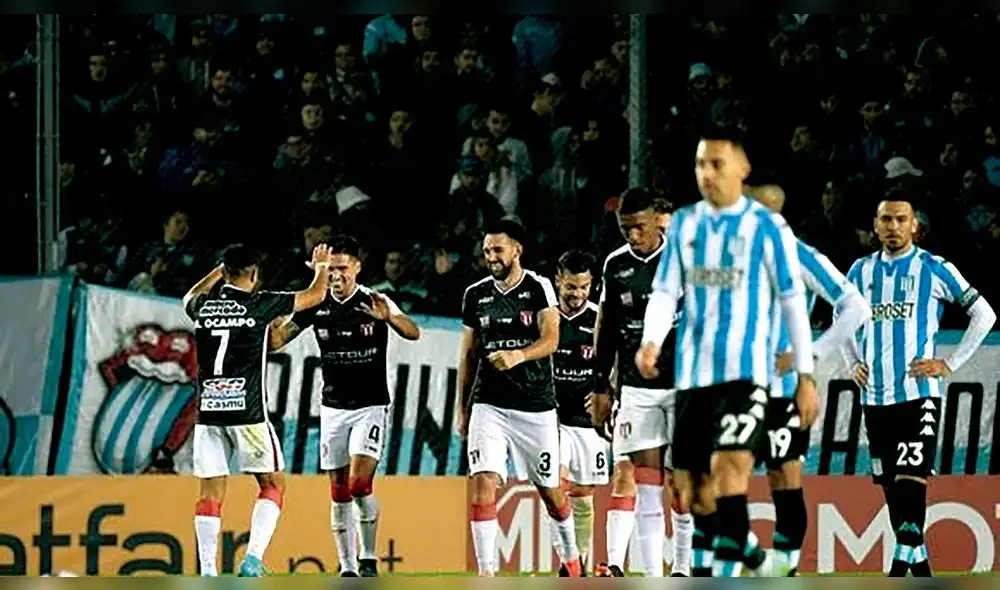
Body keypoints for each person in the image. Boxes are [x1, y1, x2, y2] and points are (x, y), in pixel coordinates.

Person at [636, 127, 819, 578]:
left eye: (717, 164)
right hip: (694, 377)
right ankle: (755, 557)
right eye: (700, 164)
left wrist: (806, 376)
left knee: (729, 472)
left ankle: (726, 578)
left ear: (743, 169)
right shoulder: (684, 224)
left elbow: (794, 300)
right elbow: (664, 291)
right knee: (693, 492)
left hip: (746, 375)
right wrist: (651, 340)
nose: (707, 174)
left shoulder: (767, 227)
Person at [844, 187, 995, 577]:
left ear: (915, 225)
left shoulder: (934, 268)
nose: (893, 226)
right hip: (875, 396)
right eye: (885, 219)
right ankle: (922, 570)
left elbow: (985, 314)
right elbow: (840, 319)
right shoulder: (860, 271)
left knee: (911, 480)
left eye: (900, 219)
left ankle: (896, 572)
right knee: (893, 487)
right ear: (875, 226)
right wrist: (851, 362)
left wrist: (950, 363)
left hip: (918, 393)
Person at [269, 234, 421, 577]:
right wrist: (269, 321)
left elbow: (414, 332)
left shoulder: (375, 300)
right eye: (330, 269)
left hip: (370, 406)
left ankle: (368, 557)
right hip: (334, 408)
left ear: (357, 266)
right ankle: (349, 567)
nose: (336, 275)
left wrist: (391, 319)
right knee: (338, 492)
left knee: (358, 486)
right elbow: (278, 341)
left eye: (342, 268)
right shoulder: (315, 304)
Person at [182, 243, 333, 577]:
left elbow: (189, 296)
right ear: (253, 274)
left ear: (225, 272)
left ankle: (207, 571)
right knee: (272, 484)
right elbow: (315, 295)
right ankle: (252, 560)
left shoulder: (204, 306)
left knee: (210, 493)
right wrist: (321, 267)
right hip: (246, 412)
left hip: (209, 411)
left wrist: (218, 273)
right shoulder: (260, 302)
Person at [748, 184, 872, 576]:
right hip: (728, 389)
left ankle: (784, 571)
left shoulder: (798, 255)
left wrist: (810, 357)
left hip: (780, 391)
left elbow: (855, 305)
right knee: (708, 480)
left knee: (783, 476)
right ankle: (747, 562)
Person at [458, 216, 582, 577]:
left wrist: (519, 355)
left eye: (497, 249)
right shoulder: (475, 295)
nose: (491, 257)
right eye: (486, 251)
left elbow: (552, 338)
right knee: (482, 482)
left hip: (535, 405)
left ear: (517, 250)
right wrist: (462, 409)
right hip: (489, 404)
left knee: (551, 493)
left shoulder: (540, 287)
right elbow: (467, 355)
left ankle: (572, 559)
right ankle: (486, 576)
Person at [587, 187, 692, 577]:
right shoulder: (615, 266)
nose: (633, 235)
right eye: (626, 228)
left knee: (681, 484)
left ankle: (682, 568)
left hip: (683, 386)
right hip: (636, 389)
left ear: (656, 222)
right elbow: (608, 326)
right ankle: (653, 578)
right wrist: (601, 386)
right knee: (646, 486)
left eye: (640, 228)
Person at [548, 249, 607, 575]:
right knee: (555, 486)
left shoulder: (599, 319)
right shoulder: (546, 318)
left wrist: (607, 393)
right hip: (551, 419)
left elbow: (616, 363)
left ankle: (573, 567)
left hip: (587, 423)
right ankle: (571, 559)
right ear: (559, 282)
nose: (577, 294)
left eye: (584, 287)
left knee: (583, 494)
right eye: (571, 287)